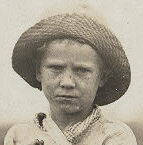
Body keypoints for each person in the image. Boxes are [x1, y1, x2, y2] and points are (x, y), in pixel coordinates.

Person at [4, 1, 137, 145]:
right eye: (56, 68)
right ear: (38, 71)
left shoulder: (114, 136)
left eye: (82, 70)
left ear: (102, 77)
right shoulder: (19, 137)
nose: (67, 82)